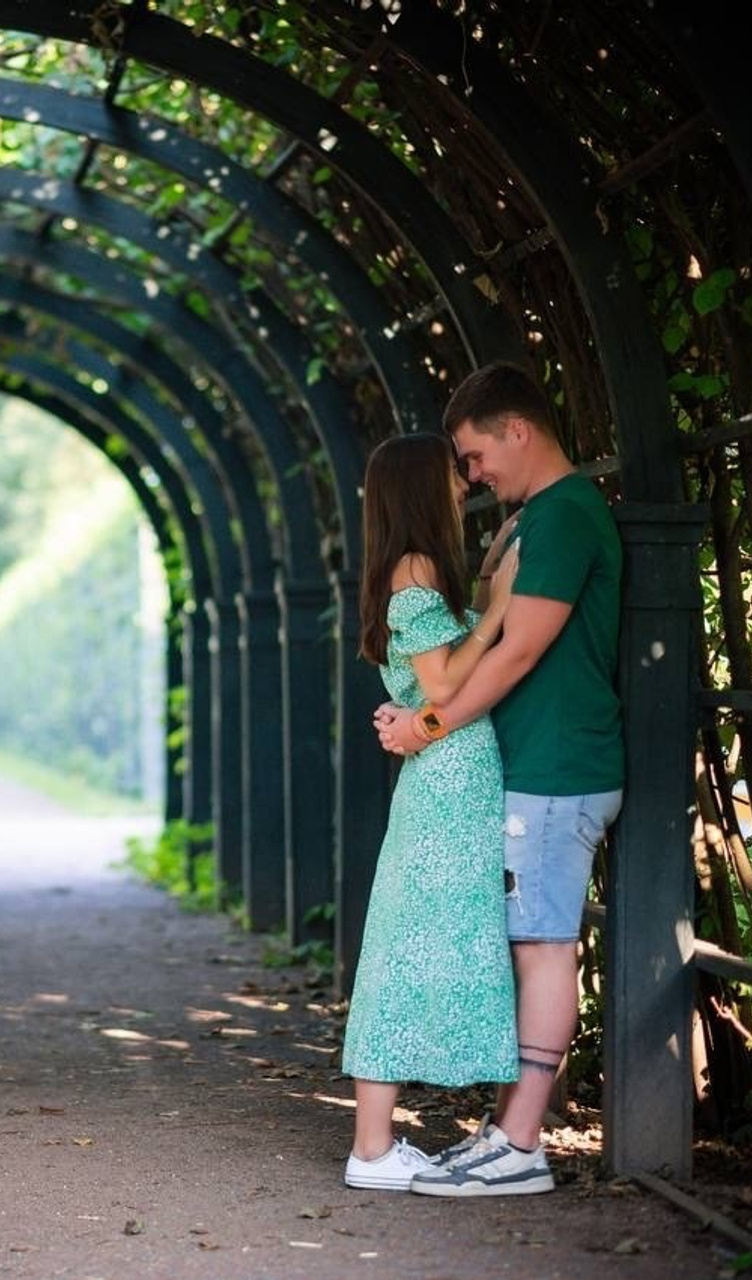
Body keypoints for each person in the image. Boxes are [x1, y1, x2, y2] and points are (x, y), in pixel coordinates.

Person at [375, 360, 624, 1198]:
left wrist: (427, 726)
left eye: (476, 455)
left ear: (518, 430)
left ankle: (521, 1144)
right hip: (536, 769)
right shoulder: (529, 523)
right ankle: (507, 1133)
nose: (472, 476)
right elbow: (484, 633)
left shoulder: (560, 519)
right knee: (530, 945)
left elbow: (518, 647)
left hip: (558, 771)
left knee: (546, 948)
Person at [341, 431, 521, 1192]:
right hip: (448, 779)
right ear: (421, 485)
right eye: (452, 473)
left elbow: (421, 689)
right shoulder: (414, 571)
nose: (462, 483)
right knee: (407, 951)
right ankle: (373, 1150)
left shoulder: (407, 570)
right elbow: (443, 685)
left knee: (408, 945)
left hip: (441, 778)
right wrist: (498, 609)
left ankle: (377, 1145)